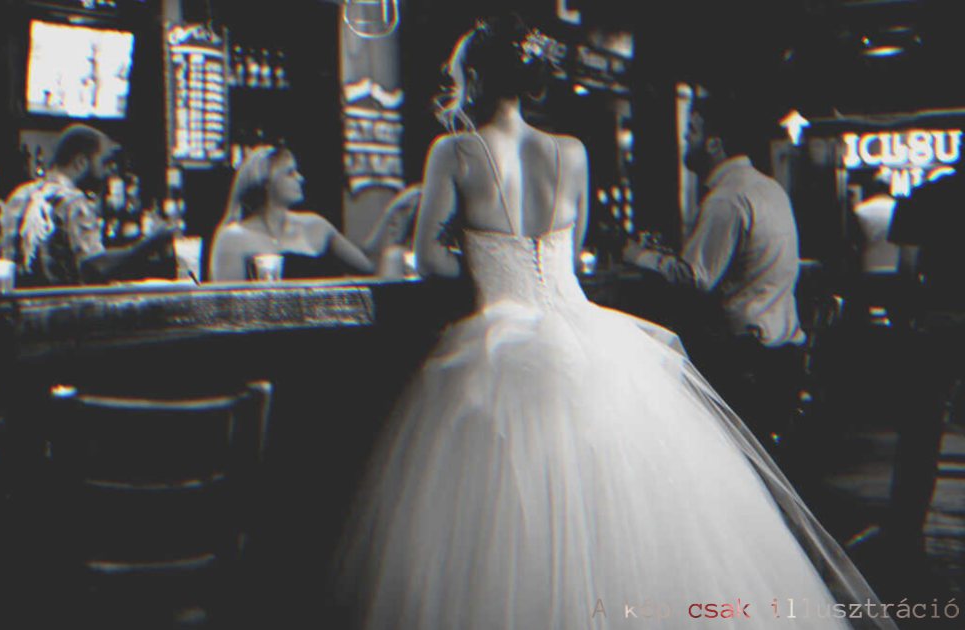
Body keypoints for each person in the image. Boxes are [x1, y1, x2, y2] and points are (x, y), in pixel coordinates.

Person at [333, 14, 893, 630]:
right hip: (587, 334)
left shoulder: (454, 151)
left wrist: (482, 255)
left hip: (498, 336)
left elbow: (430, 262)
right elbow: (569, 254)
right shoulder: (572, 152)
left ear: (475, 78)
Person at [622, 93, 807, 451]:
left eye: (691, 132)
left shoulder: (727, 198)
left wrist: (638, 256)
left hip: (745, 361)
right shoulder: (769, 188)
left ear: (714, 143)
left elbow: (696, 278)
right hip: (783, 354)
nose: (685, 141)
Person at [882, 171, 965, 556]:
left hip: (936, 322)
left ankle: (905, 528)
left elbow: (907, 268)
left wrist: (906, 321)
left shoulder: (924, 196)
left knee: (921, 430)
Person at [0, 123, 173, 285]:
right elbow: (95, 269)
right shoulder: (73, 201)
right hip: (62, 305)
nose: (108, 172)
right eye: (104, 163)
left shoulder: (18, 195)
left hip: (18, 302)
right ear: (80, 162)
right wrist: (147, 246)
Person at [209, 144, 374, 281]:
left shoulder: (316, 225)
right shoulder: (232, 238)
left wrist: (389, 217)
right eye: (290, 173)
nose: (300, 178)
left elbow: (369, 269)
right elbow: (227, 305)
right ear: (265, 182)